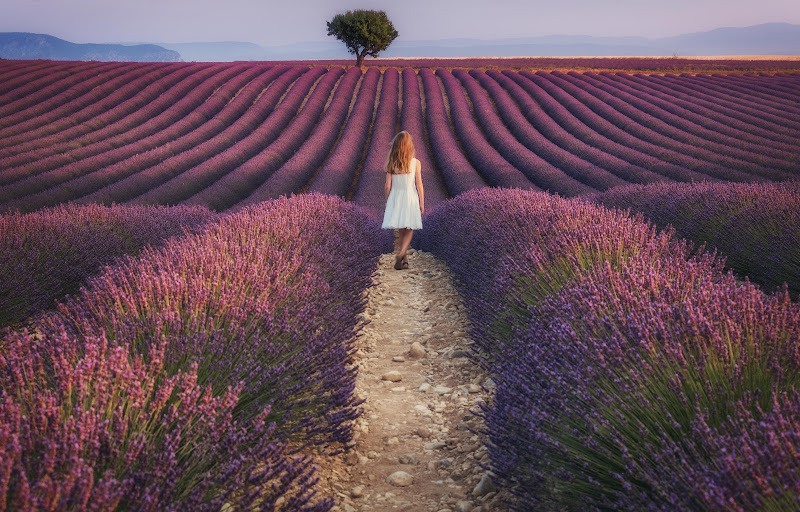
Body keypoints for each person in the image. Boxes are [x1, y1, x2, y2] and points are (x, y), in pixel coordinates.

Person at [381, 131, 424, 270]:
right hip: (410, 196)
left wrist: (388, 201)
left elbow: (387, 185)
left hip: (396, 197)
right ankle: (402, 254)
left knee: (401, 229)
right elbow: (419, 184)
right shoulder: (416, 163)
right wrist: (422, 202)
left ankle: (403, 259)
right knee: (410, 227)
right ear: (409, 145)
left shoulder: (392, 163)